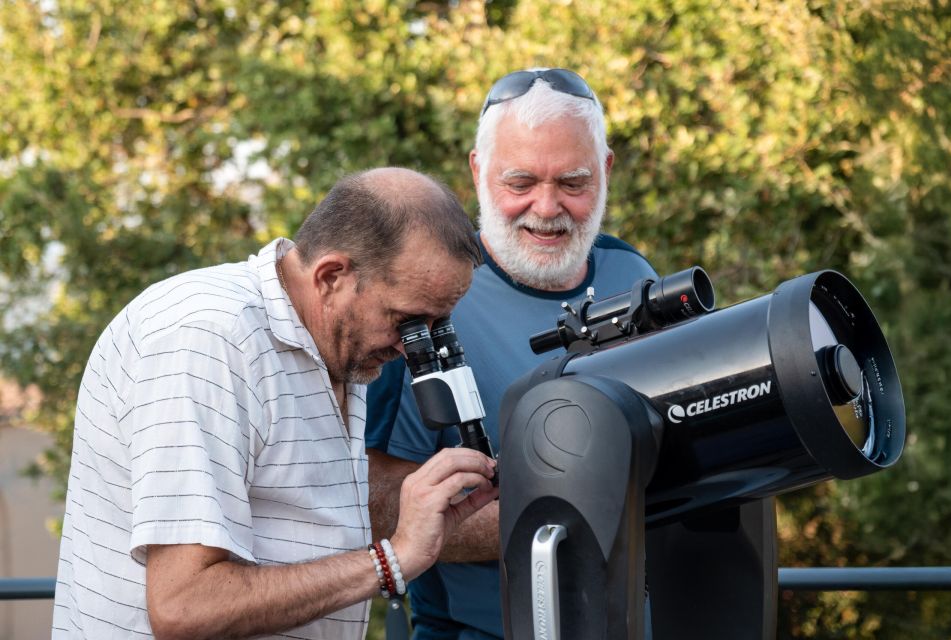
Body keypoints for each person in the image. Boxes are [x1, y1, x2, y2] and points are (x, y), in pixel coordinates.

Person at [52, 167, 499, 640]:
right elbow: (184, 606)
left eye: (433, 326)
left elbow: (306, 509)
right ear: (331, 276)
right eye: (406, 321)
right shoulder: (208, 340)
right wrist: (392, 560)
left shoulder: (337, 340)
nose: (414, 346)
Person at [365, 69, 659, 638]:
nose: (546, 209)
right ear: (478, 171)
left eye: (573, 183)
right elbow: (370, 498)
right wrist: (584, 514)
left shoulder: (635, 274)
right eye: (520, 181)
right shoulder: (424, 299)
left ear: (606, 171)